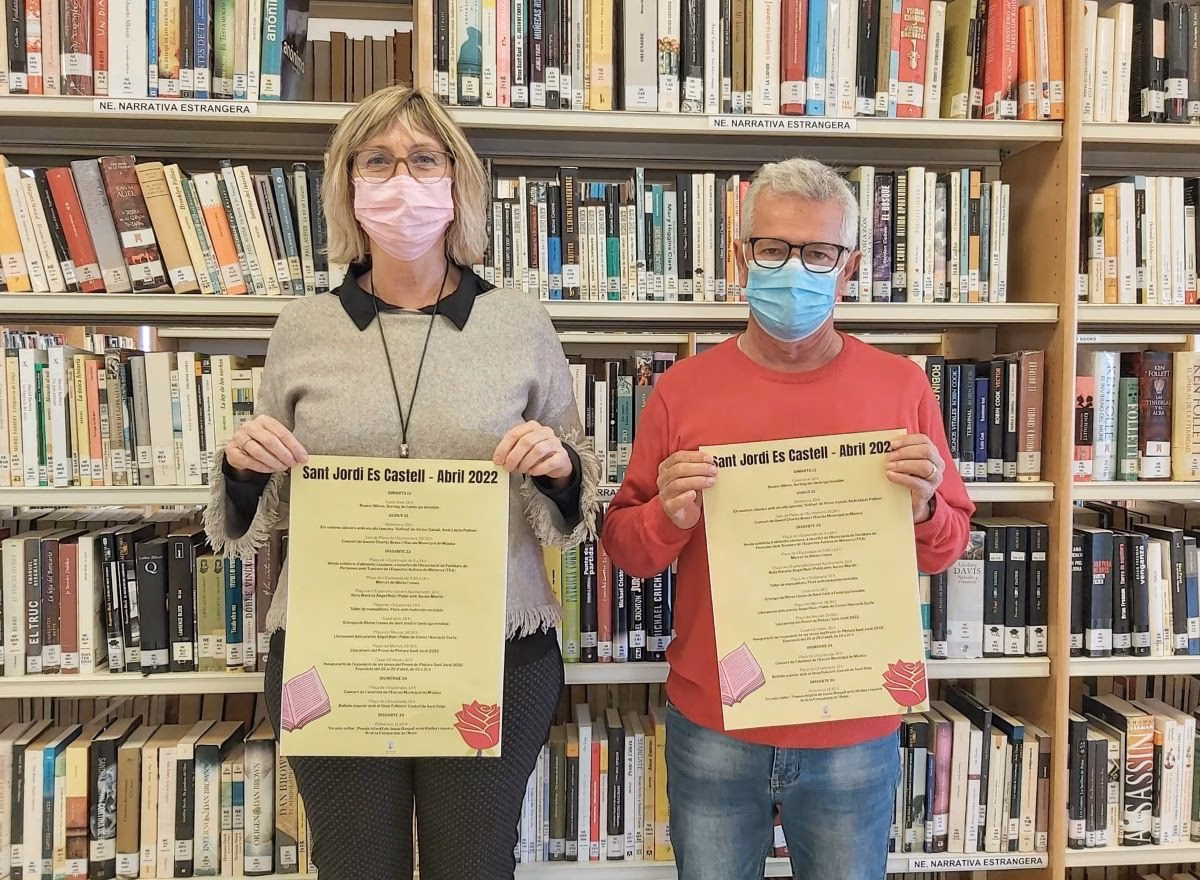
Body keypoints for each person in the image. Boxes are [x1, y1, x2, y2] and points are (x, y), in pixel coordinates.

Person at [202, 84, 600, 880]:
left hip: (496, 647)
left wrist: (559, 469)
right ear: (347, 184)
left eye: (424, 158)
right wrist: (243, 470)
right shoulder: (303, 326)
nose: (401, 180)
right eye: (377, 160)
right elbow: (257, 509)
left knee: (475, 865)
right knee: (354, 865)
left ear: (459, 181)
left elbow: (579, 496)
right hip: (336, 644)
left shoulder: (519, 323)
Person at [600, 157, 975, 880]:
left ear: (850, 266)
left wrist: (926, 505)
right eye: (773, 249)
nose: (794, 269)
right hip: (717, 720)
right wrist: (669, 518)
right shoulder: (682, 391)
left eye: (817, 252)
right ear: (741, 257)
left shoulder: (902, 388)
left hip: (852, 724)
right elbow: (627, 549)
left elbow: (944, 548)